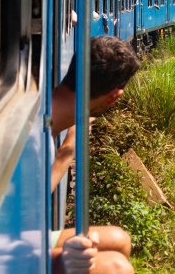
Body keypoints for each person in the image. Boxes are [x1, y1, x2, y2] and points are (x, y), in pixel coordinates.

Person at [51, 36, 141, 273]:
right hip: (4, 250)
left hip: (20, 235)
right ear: (114, 96)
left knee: (119, 239)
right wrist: (55, 261)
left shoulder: (43, 109)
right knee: (116, 268)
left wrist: (69, 145)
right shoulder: (28, 136)